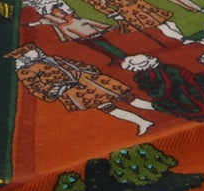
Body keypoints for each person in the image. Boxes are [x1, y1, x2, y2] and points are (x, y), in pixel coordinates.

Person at [9, 45, 155, 132]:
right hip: (74, 91)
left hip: (89, 79)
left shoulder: (52, 58)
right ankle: (142, 122)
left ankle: (158, 108)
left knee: (125, 97)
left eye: (34, 49)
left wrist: (89, 70)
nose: (36, 51)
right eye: (30, 51)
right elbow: (35, 88)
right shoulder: (26, 72)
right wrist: (53, 91)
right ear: (23, 57)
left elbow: (73, 63)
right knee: (107, 107)